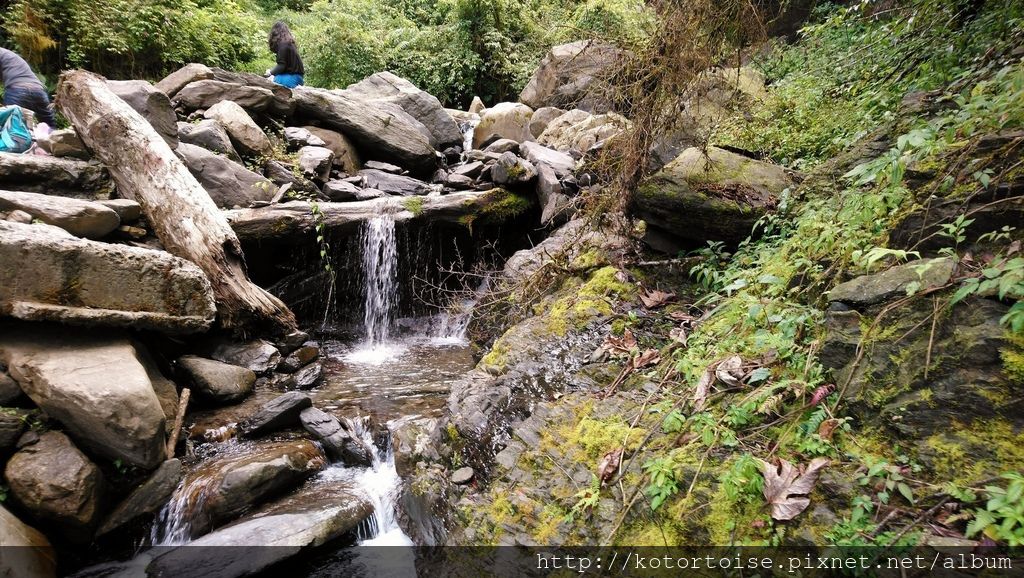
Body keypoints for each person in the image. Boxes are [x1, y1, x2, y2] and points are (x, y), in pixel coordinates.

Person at [0, 48, 55, 127]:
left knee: (10, 127)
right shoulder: (7, 55)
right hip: (39, 91)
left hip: (18, 90)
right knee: (50, 126)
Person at [266, 21, 304, 89]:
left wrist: (270, 72)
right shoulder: (288, 43)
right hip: (297, 77)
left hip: (292, 77)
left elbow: (281, 65)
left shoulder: (283, 45)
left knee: (268, 83)